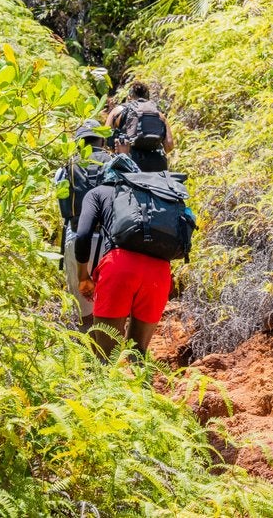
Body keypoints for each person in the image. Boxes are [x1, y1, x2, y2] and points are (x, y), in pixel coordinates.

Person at [74, 159, 184, 358]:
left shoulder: (97, 193)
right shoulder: (153, 194)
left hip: (119, 266)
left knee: (106, 358)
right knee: (138, 353)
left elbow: (82, 236)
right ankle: (141, 378)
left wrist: (83, 276)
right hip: (159, 272)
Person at [54, 119, 112, 330]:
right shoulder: (114, 163)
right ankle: (109, 348)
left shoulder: (65, 169)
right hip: (109, 243)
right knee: (109, 310)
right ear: (102, 141)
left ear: (78, 144)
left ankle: (86, 347)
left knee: (83, 312)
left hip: (76, 238)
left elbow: (62, 204)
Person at [106, 82, 174, 172]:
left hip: (128, 163)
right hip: (156, 164)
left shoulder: (118, 111)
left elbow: (105, 137)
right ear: (148, 98)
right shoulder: (159, 115)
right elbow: (169, 145)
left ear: (129, 97)